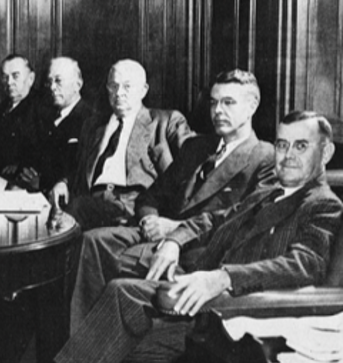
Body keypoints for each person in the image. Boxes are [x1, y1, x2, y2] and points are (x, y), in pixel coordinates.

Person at [16, 111, 342, 363]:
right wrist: (173, 240)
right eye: (283, 145)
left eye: (301, 146)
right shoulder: (266, 193)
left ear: (325, 153)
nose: (287, 156)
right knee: (115, 305)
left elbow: (305, 264)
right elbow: (213, 221)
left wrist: (224, 277)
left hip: (229, 318)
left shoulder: (322, 205)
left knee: (115, 316)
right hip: (194, 295)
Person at [68, 69, 275, 332]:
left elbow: (238, 217)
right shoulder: (196, 147)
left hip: (199, 250)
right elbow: (151, 195)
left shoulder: (265, 157)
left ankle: (87, 357)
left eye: (228, 102)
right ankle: (84, 351)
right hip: (160, 237)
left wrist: (176, 234)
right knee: (91, 241)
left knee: (105, 265)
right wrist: (149, 218)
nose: (218, 111)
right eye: (213, 102)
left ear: (252, 105)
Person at [51, 59, 192, 230]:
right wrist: (63, 183)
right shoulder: (93, 125)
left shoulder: (165, 122)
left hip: (133, 206)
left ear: (143, 90)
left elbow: (195, 153)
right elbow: (79, 167)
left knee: (72, 216)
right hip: (94, 200)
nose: (119, 93)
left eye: (127, 86)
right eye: (113, 86)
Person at [0, 54, 50, 190]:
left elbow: (44, 152)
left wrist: (19, 166)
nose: (9, 82)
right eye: (5, 77)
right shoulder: (0, 109)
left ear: (30, 78)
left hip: (21, 183)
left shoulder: (42, 108)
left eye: (15, 76)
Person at [38, 57, 93, 193]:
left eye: (58, 81)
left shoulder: (89, 120)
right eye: (49, 81)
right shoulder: (48, 116)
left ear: (77, 85)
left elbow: (80, 171)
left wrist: (40, 182)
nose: (52, 88)